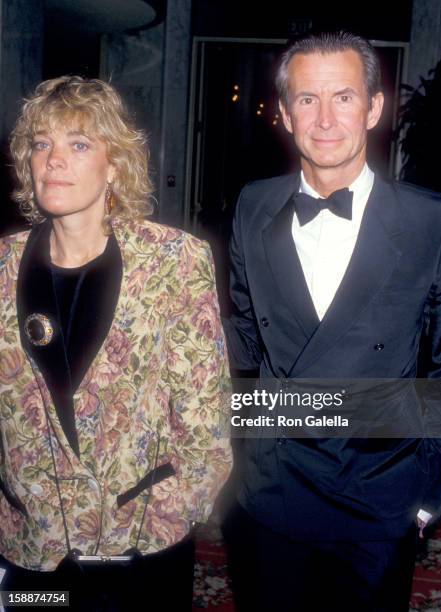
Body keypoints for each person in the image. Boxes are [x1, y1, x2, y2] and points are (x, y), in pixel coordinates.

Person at [222, 31, 441, 612]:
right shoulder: (254, 205)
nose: (326, 118)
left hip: (377, 498)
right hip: (270, 488)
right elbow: (247, 341)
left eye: (344, 97)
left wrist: (426, 495)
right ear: (284, 115)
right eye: (307, 99)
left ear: (374, 107)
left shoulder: (436, 220)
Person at [0, 76, 232, 611]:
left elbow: (206, 417)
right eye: (41, 144)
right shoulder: (3, 265)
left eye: (79, 144)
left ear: (114, 167)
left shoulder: (175, 261)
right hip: (33, 551)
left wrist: (169, 512)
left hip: (140, 549)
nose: (54, 159)